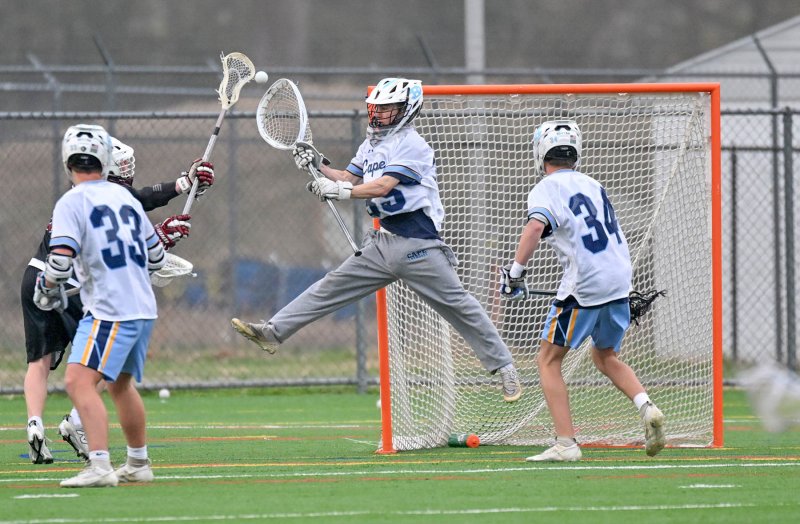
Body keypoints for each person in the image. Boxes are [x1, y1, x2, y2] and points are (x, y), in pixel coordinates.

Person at [231, 77, 522, 402]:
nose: (379, 113)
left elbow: (383, 186)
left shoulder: (413, 145)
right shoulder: (371, 145)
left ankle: (505, 367)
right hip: (382, 245)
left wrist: (342, 191)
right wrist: (318, 164)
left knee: (460, 306)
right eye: (377, 108)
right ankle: (273, 332)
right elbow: (347, 177)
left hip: (419, 247)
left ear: (406, 109)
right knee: (329, 286)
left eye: (388, 108)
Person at [22, 135, 214, 465]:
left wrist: (48, 283)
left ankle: (38, 426)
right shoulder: (120, 204)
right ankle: (118, 456)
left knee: (55, 368)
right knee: (107, 379)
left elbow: (73, 254)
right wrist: (166, 231)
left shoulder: (81, 202)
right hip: (117, 301)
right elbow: (146, 250)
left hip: (51, 278)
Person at [500, 120, 665, 461]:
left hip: (585, 284)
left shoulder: (546, 187)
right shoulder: (593, 184)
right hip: (619, 278)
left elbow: (535, 227)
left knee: (547, 360)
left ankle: (566, 443)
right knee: (605, 356)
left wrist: (516, 272)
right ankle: (646, 406)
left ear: (540, 153)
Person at [33, 123, 167, 487]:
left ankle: (100, 465)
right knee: (121, 384)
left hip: (111, 309)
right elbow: (155, 257)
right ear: (105, 161)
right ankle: (138, 463)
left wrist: (46, 286)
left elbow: (60, 260)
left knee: (78, 381)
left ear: (68, 161)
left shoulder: (71, 201)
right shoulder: (126, 199)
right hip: (142, 306)